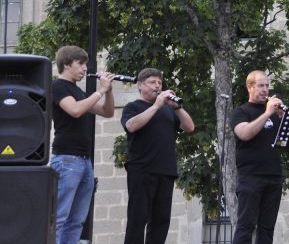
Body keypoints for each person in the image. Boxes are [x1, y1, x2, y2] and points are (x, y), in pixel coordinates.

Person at [121, 68, 195, 244]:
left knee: (161, 221)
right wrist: (156, 106)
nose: (157, 86)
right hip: (142, 170)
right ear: (140, 85)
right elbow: (131, 126)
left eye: (159, 83)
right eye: (152, 82)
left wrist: (177, 108)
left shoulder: (168, 111)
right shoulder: (133, 107)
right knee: (138, 219)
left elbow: (190, 127)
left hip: (165, 170)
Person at [51, 45, 116, 244]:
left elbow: (107, 112)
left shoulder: (77, 91)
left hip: (83, 161)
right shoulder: (58, 86)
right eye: (81, 63)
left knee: (76, 221)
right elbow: (76, 110)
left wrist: (109, 91)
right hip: (67, 159)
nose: (85, 68)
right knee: (59, 218)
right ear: (67, 64)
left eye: (86, 64)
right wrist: (100, 90)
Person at [230, 70, 285, 244]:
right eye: (261, 86)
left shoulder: (275, 113)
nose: (265, 90)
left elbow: (285, 142)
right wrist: (267, 113)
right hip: (251, 177)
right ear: (250, 87)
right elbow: (244, 134)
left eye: (267, 86)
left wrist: (284, 117)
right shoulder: (241, 112)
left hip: (274, 176)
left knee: (267, 229)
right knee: (246, 226)